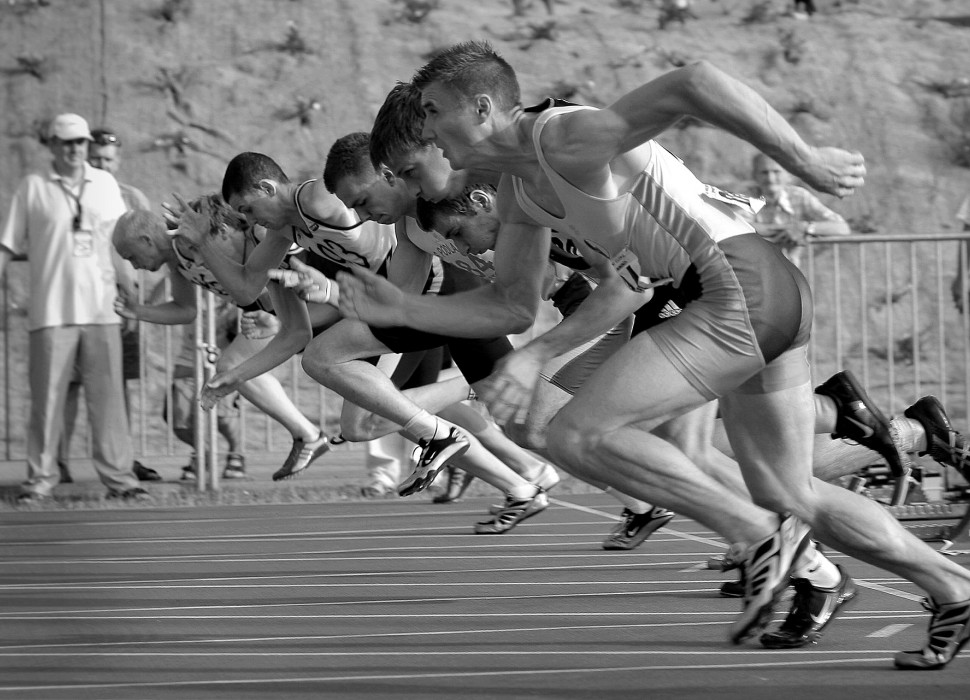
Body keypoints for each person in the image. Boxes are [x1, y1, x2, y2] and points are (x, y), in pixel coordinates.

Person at [336, 43, 970, 668]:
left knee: (579, 432)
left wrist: (805, 160)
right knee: (789, 488)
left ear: (480, 109)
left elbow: (692, 82)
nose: (426, 132)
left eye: (431, 115)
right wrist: (401, 309)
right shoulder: (520, 196)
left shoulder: (560, 138)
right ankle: (952, 589)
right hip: (750, 287)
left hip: (734, 283)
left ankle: (759, 537)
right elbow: (509, 308)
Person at [111, 201, 333, 482]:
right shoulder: (176, 260)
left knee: (233, 364)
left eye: (131, 256)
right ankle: (309, 435)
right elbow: (185, 310)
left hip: (292, 292)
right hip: (270, 310)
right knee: (362, 416)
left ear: (146, 239)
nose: (135, 266)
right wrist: (140, 311)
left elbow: (248, 246)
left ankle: (309, 435)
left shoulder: (189, 239)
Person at [0, 113, 148, 502]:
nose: (74, 149)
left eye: (80, 142)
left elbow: (120, 240)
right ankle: (40, 481)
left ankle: (121, 481)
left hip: (102, 311)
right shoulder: (32, 187)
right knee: (46, 403)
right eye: (66, 142)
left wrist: (130, 292)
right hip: (51, 313)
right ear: (50, 144)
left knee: (109, 401)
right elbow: (7, 245)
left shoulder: (104, 183)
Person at [58, 126, 162, 484]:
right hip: (77, 303)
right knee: (67, 385)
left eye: (108, 159)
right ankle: (57, 461)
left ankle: (125, 459)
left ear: (118, 161)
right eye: (95, 158)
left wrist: (136, 301)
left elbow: (149, 249)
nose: (102, 164)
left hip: (120, 304)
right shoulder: (72, 193)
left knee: (120, 385)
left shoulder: (133, 197)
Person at [744, 153, 851, 267]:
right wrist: (787, 230)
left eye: (776, 172)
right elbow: (737, 226)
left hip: (792, 271)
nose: (770, 178)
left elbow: (842, 227)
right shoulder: (745, 195)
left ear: (789, 175)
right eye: (764, 172)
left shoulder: (799, 196)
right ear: (754, 175)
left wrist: (805, 228)